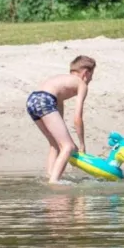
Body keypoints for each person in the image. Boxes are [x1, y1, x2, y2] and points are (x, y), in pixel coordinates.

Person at [26, 55, 96, 184]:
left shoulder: (61, 82)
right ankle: (54, 182)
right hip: (45, 100)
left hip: (32, 100)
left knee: (55, 144)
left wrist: (66, 139)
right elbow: (77, 117)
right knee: (68, 147)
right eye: (92, 75)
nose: (91, 79)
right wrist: (81, 145)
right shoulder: (81, 84)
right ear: (86, 73)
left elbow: (59, 120)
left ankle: (50, 176)